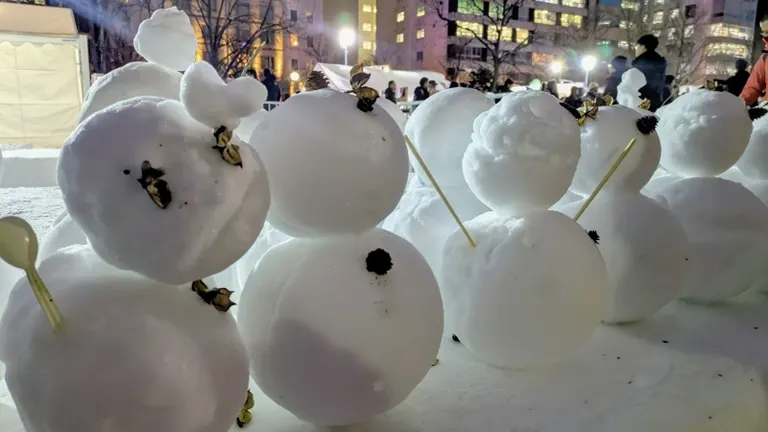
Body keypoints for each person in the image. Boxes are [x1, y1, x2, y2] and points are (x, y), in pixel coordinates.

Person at [632, 34, 667, 111]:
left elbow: (635, 87)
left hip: (641, 104)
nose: (635, 49)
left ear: (643, 46)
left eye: (636, 46)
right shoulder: (659, 61)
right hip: (655, 103)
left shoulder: (642, 63)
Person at [741, 15, 768, 106]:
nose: (765, 36)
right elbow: (752, 87)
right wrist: (738, 105)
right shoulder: (765, 58)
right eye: (764, 32)